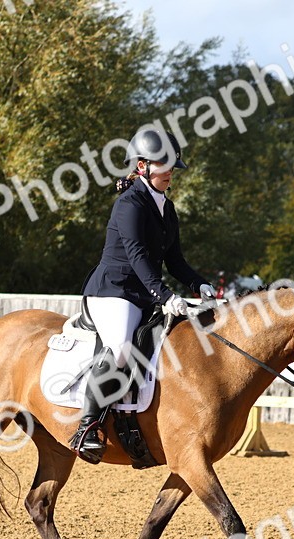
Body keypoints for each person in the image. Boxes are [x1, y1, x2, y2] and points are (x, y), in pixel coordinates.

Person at [70, 127, 217, 463]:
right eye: (163, 166)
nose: (169, 173)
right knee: (121, 347)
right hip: (114, 291)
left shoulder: (166, 207)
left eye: (171, 166)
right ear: (141, 167)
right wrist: (164, 294)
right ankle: (88, 425)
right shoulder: (129, 204)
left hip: (144, 293)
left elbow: (175, 260)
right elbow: (136, 255)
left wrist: (198, 284)